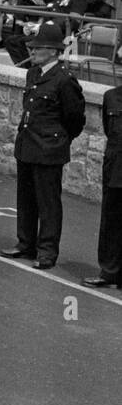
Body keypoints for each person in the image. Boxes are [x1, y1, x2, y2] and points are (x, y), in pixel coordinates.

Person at [0, 20, 86, 269]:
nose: (32, 52)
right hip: (28, 144)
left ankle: (47, 251)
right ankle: (25, 243)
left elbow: (74, 118)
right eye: (33, 47)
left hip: (49, 148)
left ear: (54, 52)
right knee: (25, 198)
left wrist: (59, 139)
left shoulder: (64, 79)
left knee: (48, 202)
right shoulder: (33, 73)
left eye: (38, 48)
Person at [83, 81, 122, 287]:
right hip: (116, 167)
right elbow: (110, 131)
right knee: (111, 222)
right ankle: (109, 272)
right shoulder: (111, 97)